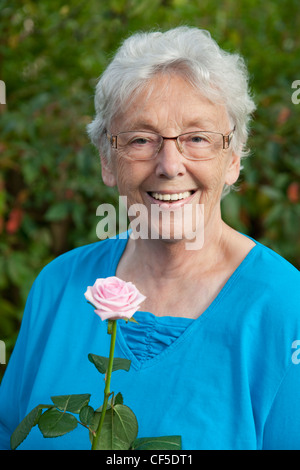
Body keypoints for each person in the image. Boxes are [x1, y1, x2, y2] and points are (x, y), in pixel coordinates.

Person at [0, 26, 299, 450]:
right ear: (108, 159)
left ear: (232, 159)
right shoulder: (58, 285)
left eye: (197, 138)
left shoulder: (287, 308)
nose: (169, 165)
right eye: (141, 139)